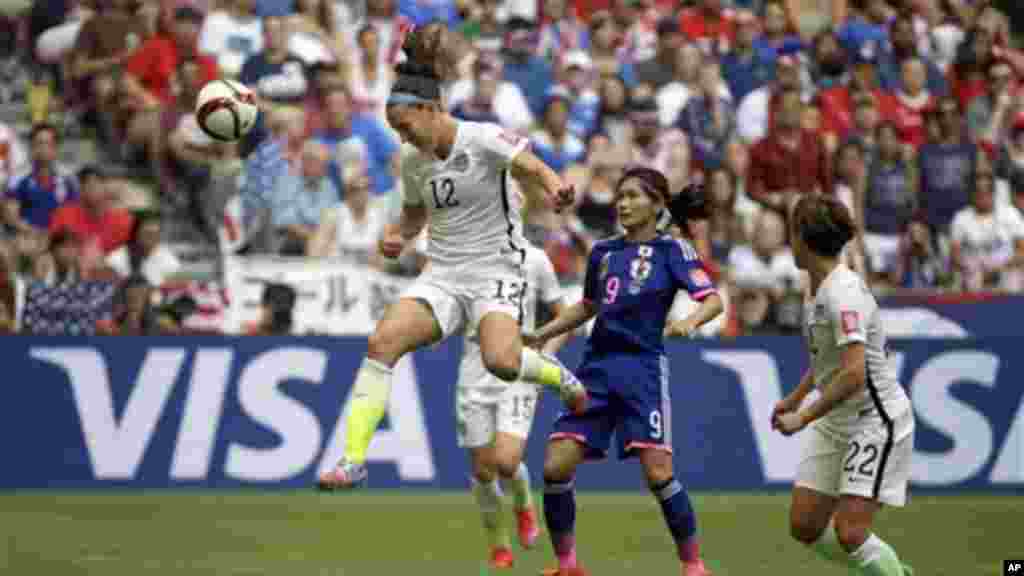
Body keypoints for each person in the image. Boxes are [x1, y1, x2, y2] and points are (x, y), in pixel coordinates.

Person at [316, 54, 588, 490]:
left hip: (497, 267)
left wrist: (556, 188)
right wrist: (396, 236)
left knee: (501, 361)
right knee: (382, 341)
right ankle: (353, 460)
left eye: (406, 125)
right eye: (397, 130)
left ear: (430, 109)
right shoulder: (413, 160)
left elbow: (532, 167)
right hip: (442, 272)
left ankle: (559, 375)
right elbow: (412, 215)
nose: (402, 136)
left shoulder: (481, 138)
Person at [525, 168, 724, 576]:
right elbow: (588, 306)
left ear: (656, 204)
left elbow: (713, 300)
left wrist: (691, 322)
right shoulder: (603, 251)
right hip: (595, 369)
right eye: (620, 196)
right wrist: (539, 334)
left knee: (658, 473)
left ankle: (693, 566)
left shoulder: (674, 250)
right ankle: (568, 566)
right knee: (554, 467)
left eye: (633, 196)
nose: (623, 203)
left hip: (642, 369)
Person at [773, 194, 916, 576]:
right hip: (837, 418)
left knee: (850, 531)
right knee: (804, 525)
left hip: (874, 418)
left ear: (803, 238)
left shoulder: (844, 293)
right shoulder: (815, 286)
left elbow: (854, 374)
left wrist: (802, 418)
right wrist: (796, 396)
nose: (790, 241)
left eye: (792, 232)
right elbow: (828, 360)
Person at [457, 242, 569, 570]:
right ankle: (499, 546)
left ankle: (523, 504)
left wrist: (546, 354)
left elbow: (566, 316)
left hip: (517, 371)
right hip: (474, 375)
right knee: (482, 471)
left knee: (506, 462)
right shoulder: (465, 258)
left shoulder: (535, 259)